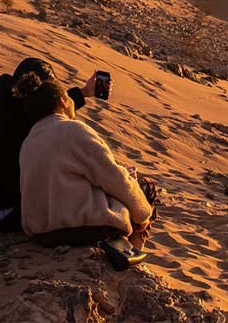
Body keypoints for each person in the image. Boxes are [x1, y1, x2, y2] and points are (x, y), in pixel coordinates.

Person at [0, 58, 97, 231]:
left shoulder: (1, 103)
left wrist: (83, 93)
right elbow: (54, 113)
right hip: (3, 211)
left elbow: (48, 105)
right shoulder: (33, 121)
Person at [18, 74, 156, 249]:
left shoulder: (29, 141)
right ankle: (134, 256)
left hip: (40, 232)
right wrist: (143, 214)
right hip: (81, 227)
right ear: (62, 102)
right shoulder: (73, 130)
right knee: (144, 188)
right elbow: (113, 178)